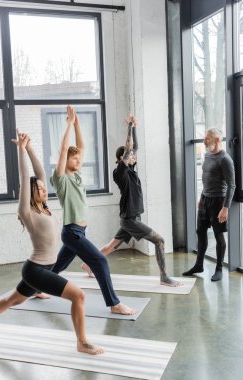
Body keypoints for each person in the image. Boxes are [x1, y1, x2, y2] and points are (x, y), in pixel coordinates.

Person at [0, 130, 104, 355]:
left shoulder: (46, 208)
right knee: (78, 295)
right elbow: (26, 178)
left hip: (46, 268)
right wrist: (21, 150)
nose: (43, 190)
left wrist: (31, 148)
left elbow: (39, 173)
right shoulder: (28, 212)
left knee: (15, 299)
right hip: (35, 270)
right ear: (30, 195)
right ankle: (82, 342)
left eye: (43, 188)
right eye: (39, 189)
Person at [49, 105, 134, 315]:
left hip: (79, 232)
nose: (78, 160)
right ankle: (114, 304)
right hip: (72, 233)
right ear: (65, 161)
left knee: (57, 268)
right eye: (74, 158)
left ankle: (37, 286)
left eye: (79, 158)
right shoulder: (60, 179)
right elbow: (63, 151)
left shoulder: (77, 175)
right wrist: (68, 124)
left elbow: (82, 146)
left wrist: (77, 124)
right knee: (100, 261)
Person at [82, 114, 180, 287]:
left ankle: (87, 264)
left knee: (111, 246)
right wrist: (128, 129)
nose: (133, 156)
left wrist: (133, 127)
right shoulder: (120, 172)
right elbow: (129, 149)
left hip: (129, 218)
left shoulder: (131, 170)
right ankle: (164, 277)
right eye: (130, 155)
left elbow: (134, 147)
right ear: (122, 159)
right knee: (160, 240)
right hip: (130, 219)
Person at [182, 128, 235, 281]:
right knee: (200, 231)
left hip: (219, 202)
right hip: (205, 199)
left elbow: (232, 186)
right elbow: (206, 178)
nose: (204, 142)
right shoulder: (207, 155)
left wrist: (225, 208)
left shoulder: (225, 159)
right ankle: (199, 265)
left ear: (218, 140)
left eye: (208, 139)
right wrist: (201, 197)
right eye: (205, 138)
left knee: (218, 236)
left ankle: (219, 269)